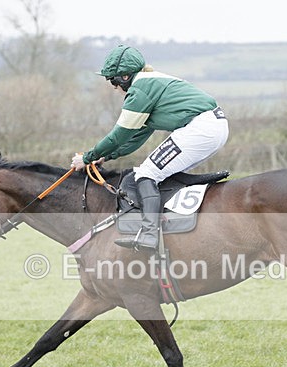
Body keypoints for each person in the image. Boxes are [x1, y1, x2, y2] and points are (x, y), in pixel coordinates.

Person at [72, 45, 229, 251]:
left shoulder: (140, 91)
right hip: (213, 127)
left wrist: (87, 157)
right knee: (160, 172)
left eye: (112, 80)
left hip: (201, 128)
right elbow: (136, 137)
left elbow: (120, 134)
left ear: (125, 77)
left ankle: (149, 234)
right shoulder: (150, 83)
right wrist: (105, 157)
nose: (112, 86)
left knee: (146, 173)